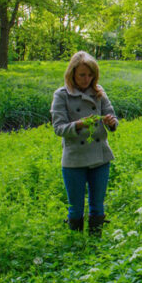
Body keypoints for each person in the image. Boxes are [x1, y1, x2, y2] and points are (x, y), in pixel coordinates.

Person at [50, 51, 119, 236]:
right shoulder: (61, 95)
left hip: (100, 157)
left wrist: (111, 122)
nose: (86, 79)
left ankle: (96, 242)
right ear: (72, 73)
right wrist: (79, 125)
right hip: (74, 159)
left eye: (90, 75)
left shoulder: (98, 91)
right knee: (75, 207)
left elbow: (112, 115)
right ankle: (76, 243)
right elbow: (58, 128)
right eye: (82, 75)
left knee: (97, 205)